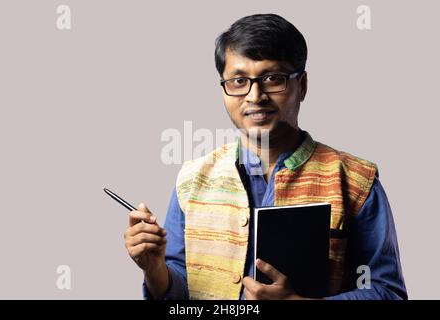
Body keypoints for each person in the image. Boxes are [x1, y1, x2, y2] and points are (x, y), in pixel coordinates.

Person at [123, 13, 407, 300]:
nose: (255, 95)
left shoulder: (356, 180)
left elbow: (388, 292)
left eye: (273, 78)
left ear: (302, 85)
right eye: (238, 81)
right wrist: (155, 269)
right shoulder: (192, 179)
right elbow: (182, 294)